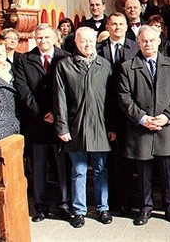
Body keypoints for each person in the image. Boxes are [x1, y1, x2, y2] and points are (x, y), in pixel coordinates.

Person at [118, 25, 170, 226]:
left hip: (166, 126)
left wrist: (167, 116)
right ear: (138, 42)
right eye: (144, 41)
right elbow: (124, 97)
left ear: (159, 41)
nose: (148, 44)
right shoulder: (127, 67)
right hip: (141, 127)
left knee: (167, 171)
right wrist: (142, 118)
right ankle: (145, 208)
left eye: (152, 40)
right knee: (144, 172)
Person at [54, 27, 114, 228]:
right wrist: (62, 127)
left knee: (100, 170)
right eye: (83, 41)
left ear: (96, 41)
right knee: (78, 171)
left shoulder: (105, 65)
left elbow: (112, 100)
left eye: (90, 41)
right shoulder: (64, 66)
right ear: (76, 43)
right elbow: (59, 99)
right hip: (75, 125)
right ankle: (78, 211)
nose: (87, 45)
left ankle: (102, 208)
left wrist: (112, 126)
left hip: (100, 126)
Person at [14, 24, 71, 222]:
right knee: (38, 169)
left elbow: (70, 90)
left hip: (59, 123)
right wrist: (41, 113)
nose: (42, 41)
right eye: (39, 38)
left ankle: (64, 205)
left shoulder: (65, 58)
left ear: (55, 38)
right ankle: (41, 207)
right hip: (36, 123)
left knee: (62, 167)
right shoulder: (24, 59)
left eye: (46, 37)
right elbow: (23, 90)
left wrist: (57, 114)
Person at [96, 12, 140, 215]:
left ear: (126, 26)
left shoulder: (136, 47)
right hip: (108, 111)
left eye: (121, 24)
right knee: (113, 161)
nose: (117, 27)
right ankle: (114, 202)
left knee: (132, 161)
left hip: (133, 112)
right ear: (107, 26)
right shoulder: (98, 50)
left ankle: (133, 201)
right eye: (113, 24)